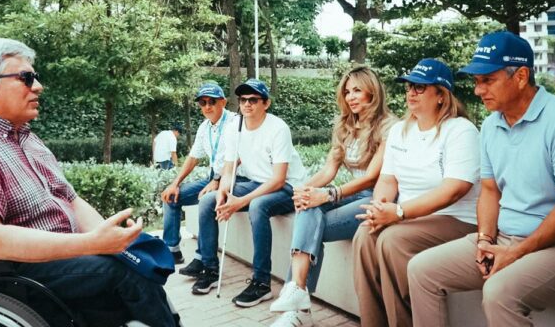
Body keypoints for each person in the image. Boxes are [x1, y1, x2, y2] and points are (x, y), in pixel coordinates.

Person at [0, 38, 178, 327]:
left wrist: (112, 241)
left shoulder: (25, 138)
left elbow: (71, 200)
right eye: (26, 77)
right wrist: (89, 244)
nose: (38, 86)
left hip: (52, 265)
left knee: (141, 260)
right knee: (125, 275)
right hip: (5, 274)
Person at [408, 32, 555, 327]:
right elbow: (489, 191)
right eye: (476, 82)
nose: (478, 90)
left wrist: (517, 253)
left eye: (487, 80)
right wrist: (485, 240)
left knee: (499, 292)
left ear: (521, 76)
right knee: (421, 269)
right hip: (505, 239)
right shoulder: (491, 126)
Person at [352, 58, 480, 327]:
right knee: (364, 235)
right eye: (409, 86)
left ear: (441, 96)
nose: (411, 92)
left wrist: (398, 212)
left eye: (420, 87)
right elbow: (388, 180)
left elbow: (453, 190)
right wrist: (380, 209)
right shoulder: (400, 130)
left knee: (393, 240)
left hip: (455, 219)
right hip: (408, 216)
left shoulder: (460, 130)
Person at [268, 66, 397, 327]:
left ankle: (298, 306)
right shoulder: (345, 125)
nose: (351, 97)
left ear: (373, 91)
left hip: (379, 199)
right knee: (308, 208)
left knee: (313, 222)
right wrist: (304, 190)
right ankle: (298, 295)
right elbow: (329, 170)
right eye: (347, 91)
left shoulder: (389, 126)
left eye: (357, 90)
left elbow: (372, 177)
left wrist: (327, 194)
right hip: (352, 193)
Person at [191, 78, 307, 308]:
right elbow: (229, 167)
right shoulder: (236, 126)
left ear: (266, 103)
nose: (247, 104)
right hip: (256, 183)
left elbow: (278, 179)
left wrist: (240, 201)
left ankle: (261, 283)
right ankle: (210, 269)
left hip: (287, 187)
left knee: (257, 206)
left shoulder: (278, 128)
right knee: (208, 201)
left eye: (253, 99)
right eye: (243, 100)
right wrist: (224, 188)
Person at [160, 82, 236, 268]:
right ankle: (172, 251)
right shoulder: (204, 127)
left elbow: (238, 156)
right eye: (203, 102)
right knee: (171, 197)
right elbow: (193, 157)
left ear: (223, 102)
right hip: (214, 177)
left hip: (232, 177)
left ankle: (203, 259)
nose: (208, 106)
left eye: (212, 101)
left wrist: (217, 180)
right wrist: (175, 183)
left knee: (206, 201)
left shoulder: (235, 122)